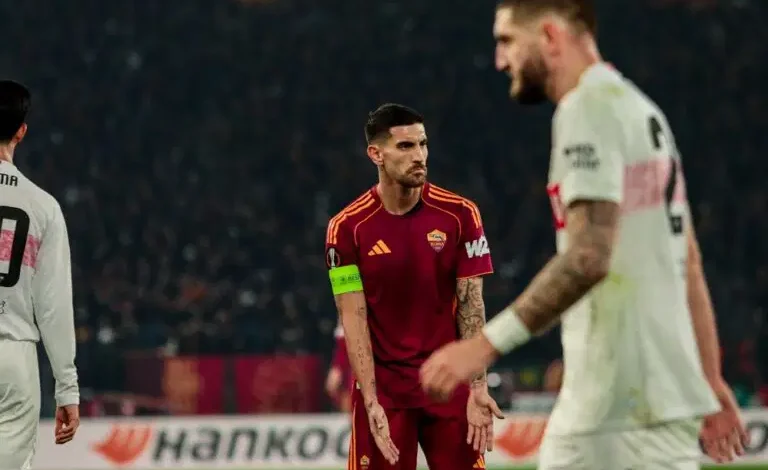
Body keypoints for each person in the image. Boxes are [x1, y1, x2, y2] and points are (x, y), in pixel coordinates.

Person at [419, 1, 748, 468]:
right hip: (660, 400)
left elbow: (589, 257)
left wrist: (483, 345)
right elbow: (686, 260)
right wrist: (708, 379)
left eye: (507, 40)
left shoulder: (586, 110)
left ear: (550, 36)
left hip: (613, 405)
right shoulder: (642, 111)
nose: (500, 60)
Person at [325, 103, 503, 470]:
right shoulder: (347, 228)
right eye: (405, 146)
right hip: (386, 393)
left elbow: (471, 305)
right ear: (376, 154)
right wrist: (370, 400)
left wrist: (478, 386)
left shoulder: (460, 215)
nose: (419, 155)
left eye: (423, 144)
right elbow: (353, 317)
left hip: (448, 383)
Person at [0, 80, 80, 468]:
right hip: (13, 356)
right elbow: (54, 307)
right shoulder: (43, 208)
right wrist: (68, 389)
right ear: (21, 131)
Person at [325, 321, 352, 412]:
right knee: (334, 388)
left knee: (351, 392)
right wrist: (336, 366)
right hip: (342, 358)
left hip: (353, 360)